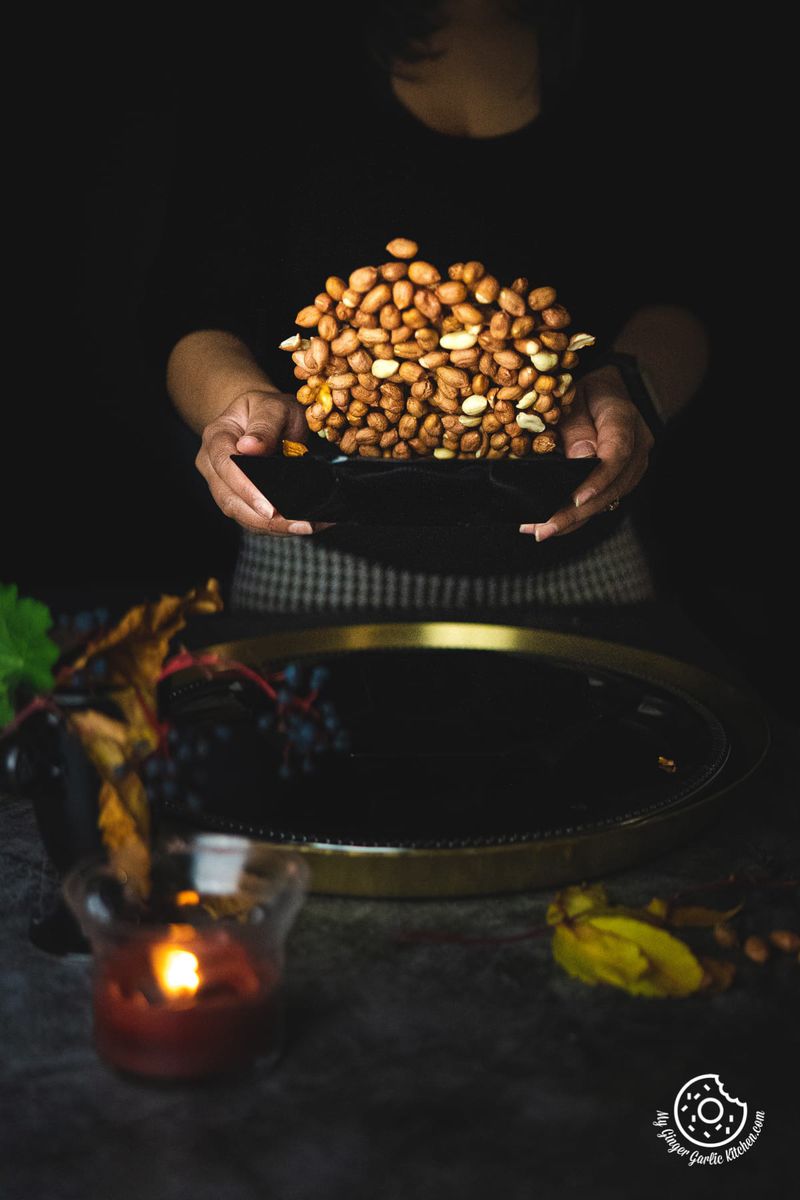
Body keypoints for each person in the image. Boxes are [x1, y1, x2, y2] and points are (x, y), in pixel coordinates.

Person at [140, 1, 709, 614]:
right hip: (315, 562)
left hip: (580, 552)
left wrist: (624, 386)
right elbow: (193, 304)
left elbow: (688, 291)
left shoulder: (630, 38)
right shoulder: (273, 40)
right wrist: (246, 412)